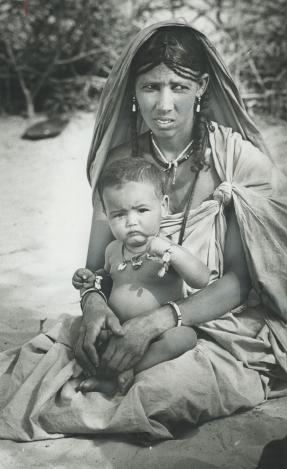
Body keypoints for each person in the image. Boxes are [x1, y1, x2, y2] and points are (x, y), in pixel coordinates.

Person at [0, 20, 287, 442]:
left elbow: (237, 283)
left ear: (203, 87)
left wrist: (158, 321)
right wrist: (95, 304)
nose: (164, 104)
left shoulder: (233, 160)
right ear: (133, 92)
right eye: (150, 87)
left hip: (217, 323)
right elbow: (97, 265)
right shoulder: (122, 163)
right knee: (37, 371)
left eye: (178, 86)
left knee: (161, 395)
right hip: (127, 316)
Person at [72, 157, 210, 395]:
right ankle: (107, 371)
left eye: (142, 210)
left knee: (184, 337)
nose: (131, 222)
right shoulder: (113, 250)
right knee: (80, 329)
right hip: (117, 328)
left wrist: (172, 252)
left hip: (158, 332)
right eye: (118, 215)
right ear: (106, 215)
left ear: (163, 206)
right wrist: (88, 279)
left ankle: (129, 369)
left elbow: (202, 279)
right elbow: (105, 277)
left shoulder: (167, 247)